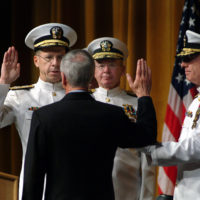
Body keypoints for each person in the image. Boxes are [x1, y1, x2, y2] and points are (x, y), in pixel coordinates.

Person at [22, 49, 157, 200]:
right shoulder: (113, 115)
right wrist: (144, 96)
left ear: (64, 77)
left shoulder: (44, 117)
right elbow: (147, 136)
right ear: (91, 78)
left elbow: (33, 176)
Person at [0, 23, 77, 199]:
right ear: (36, 61)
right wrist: (4, 83)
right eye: (49, 57)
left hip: (72, 189)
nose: (55, 63)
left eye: (60, 57)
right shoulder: (21, 96)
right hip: (35, 189)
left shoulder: (80, 97)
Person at [86, 37, 156, 200]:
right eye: (101, 65)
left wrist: (146, 197)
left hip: (127, 192)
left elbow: (148, 156)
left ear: (123, 69)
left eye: (112, 65)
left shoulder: (138, 103)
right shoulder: (84, 102)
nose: (106, 71)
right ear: (93, 70)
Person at [142, 30, 200, 200]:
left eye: (189, 59)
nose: (182, 64)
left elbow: (195, 148)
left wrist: (149, 148)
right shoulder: (196, 99)